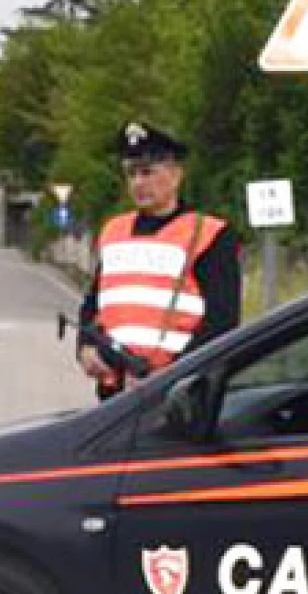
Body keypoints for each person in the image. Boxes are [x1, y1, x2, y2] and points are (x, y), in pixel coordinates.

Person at [76, 120, 242, 399]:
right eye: (131, 174)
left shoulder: (208, 234)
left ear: (176, 175)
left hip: (179, 395)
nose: (138, 183)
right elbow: (93, 304)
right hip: (114, 393)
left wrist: (173, 376)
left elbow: (221, 322)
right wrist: (85, 348)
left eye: (148, 172)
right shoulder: (113, 231)